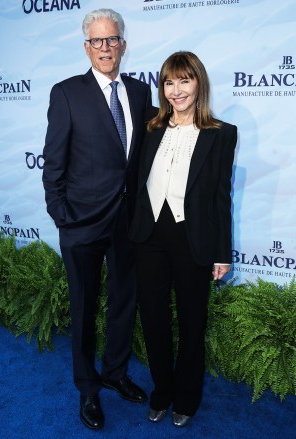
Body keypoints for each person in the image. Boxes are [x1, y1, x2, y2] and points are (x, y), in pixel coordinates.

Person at [42, 8, 152, 430]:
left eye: (112, 40)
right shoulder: (67, 93)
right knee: (85, 307)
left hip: (129, 221)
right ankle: (88, 390)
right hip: (82, 223)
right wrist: (61, 215)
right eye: (97, 42)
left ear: (123, 44)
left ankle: (116, 373)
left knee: (125, 300)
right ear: (87, 47)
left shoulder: (141, 93)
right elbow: (54, 161)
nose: (105, 48)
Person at [129, 51, 237, 427]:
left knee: (192, 321)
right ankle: (162, 390)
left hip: (193, 237)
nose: (176, 90)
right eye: (169, 82)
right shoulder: (150, 126)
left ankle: (187, 398)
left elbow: (222, 196)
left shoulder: (221, 134)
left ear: (198, 84)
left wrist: (222, 251)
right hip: (148, 236)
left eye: (184, 81)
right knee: (155, 319)